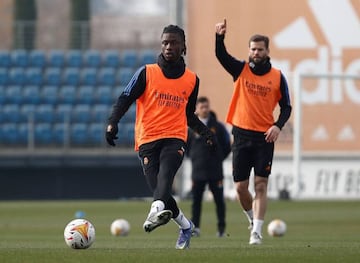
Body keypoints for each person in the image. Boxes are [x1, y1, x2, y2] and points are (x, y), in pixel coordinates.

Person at [106, 25, 216, 249]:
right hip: (147, 138)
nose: (168, 47)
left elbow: (188, 115)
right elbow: (125, 98)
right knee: (160, 191)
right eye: (165, 42)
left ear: (183, 46)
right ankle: (186, 227)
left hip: (175, 137)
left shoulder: (192, 80)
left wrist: (204, 132)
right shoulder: (147, 72)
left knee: (167, 174)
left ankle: (153, 213)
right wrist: (112, 122)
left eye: (174, 42)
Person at [215, 19, 292, 245]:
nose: (255, 53)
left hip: (264, 138)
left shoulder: (278, 77)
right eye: (252, 49)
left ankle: (257, 231)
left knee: (260, 185)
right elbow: (221, 56)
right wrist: (219, 37)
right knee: (240, 188)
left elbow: (287, 106)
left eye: (259, 49)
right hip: (240, 135)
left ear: (267, 51)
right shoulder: (241, 69)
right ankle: (251, 218)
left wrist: (277, 125)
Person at [187, 96, 231, 237]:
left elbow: (227, 145)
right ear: (197, 110)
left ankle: (221, 229)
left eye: (207, 107)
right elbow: (186, 147)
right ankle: (196, 228)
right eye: (202, 107)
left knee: (219, 201)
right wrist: (194, 158)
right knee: (196, 202)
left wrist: (218, 158)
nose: (205, 109)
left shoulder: (218, 127)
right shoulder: (191, 128)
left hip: (215, 170)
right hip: (198, 171)